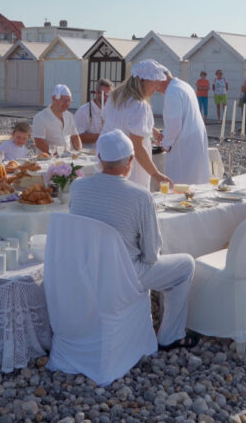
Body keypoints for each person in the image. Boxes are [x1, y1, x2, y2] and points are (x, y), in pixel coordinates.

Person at [69, 130, 199, 351]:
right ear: (131, 160)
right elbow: (151, 254)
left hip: (86, 271)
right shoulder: (140, 196)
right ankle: (170, 335)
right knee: (185, 265)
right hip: (124, 276)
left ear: (100, 158)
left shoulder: (77, 187)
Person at [101, 60, 172, 189]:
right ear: (143, 80)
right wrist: (156, 174)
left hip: (109, 159)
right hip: (131, 165)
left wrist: (151, 129)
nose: (157, 87)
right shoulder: (140, 106)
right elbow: (137, 145)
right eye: (155, 82)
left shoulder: (114, 98)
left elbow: (120, 121)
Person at [154, 66, 211, 184]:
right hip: (194, 138)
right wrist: (163, 134)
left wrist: (165, 144)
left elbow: (174, 124)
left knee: (181, 184)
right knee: (196, 179)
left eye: (154, 83)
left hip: (184, 143)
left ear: (161, 79)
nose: (155, 89)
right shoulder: (183, 85)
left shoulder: (172, 92)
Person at [32, 84, 82, 154]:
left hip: (67, 158)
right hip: (48, 160)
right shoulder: (40, 117)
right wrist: (58, 154)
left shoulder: (70, 116)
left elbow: (75, 137)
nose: (67, 104)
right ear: (54, 98)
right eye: (64, 100)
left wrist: (79, 152)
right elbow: (39, 142)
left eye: (69, 101)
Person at [74, 78, 113, 145]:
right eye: (105, 95)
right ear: (96, 93)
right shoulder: (83, 111)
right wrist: (104, 136)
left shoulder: (110, 111)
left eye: (109, 95)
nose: (107, 98)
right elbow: (78, 136)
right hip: (87, 152)